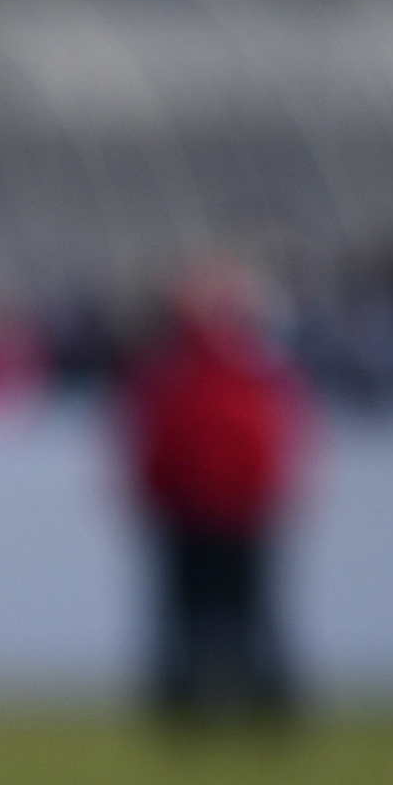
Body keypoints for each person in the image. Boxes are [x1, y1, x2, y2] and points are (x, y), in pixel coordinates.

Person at [122, 264, 306, 721]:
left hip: (198, 512)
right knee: (247, 614)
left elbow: (151, 440)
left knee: (195, 615)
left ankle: (191, 703)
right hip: (233, 511)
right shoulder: (255, 365)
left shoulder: (169, 371)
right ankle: (263, 704)